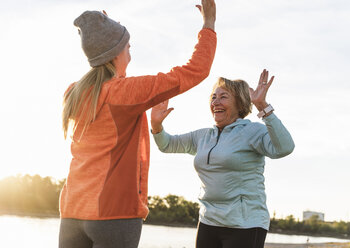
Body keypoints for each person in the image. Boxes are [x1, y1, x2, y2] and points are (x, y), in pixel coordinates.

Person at [59, 1, 216, 247]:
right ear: (114, 51)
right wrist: (208, 25)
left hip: (72, 211)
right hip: (114, 213)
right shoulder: (124, 93)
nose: (129, 46)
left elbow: (105, 82)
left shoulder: (73, 93)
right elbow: (195, 71)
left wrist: (102, 35)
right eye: (125, 43)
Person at [151, 69, 295, 248]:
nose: (215, 102)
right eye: (213, 97)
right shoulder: (203, 136)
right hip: (208, 221)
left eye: (223, 97)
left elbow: (285, 148)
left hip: (245, 223)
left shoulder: (252, 131)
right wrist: (157, 126)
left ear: (239, 103)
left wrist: (263, 107)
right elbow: (167, 144)